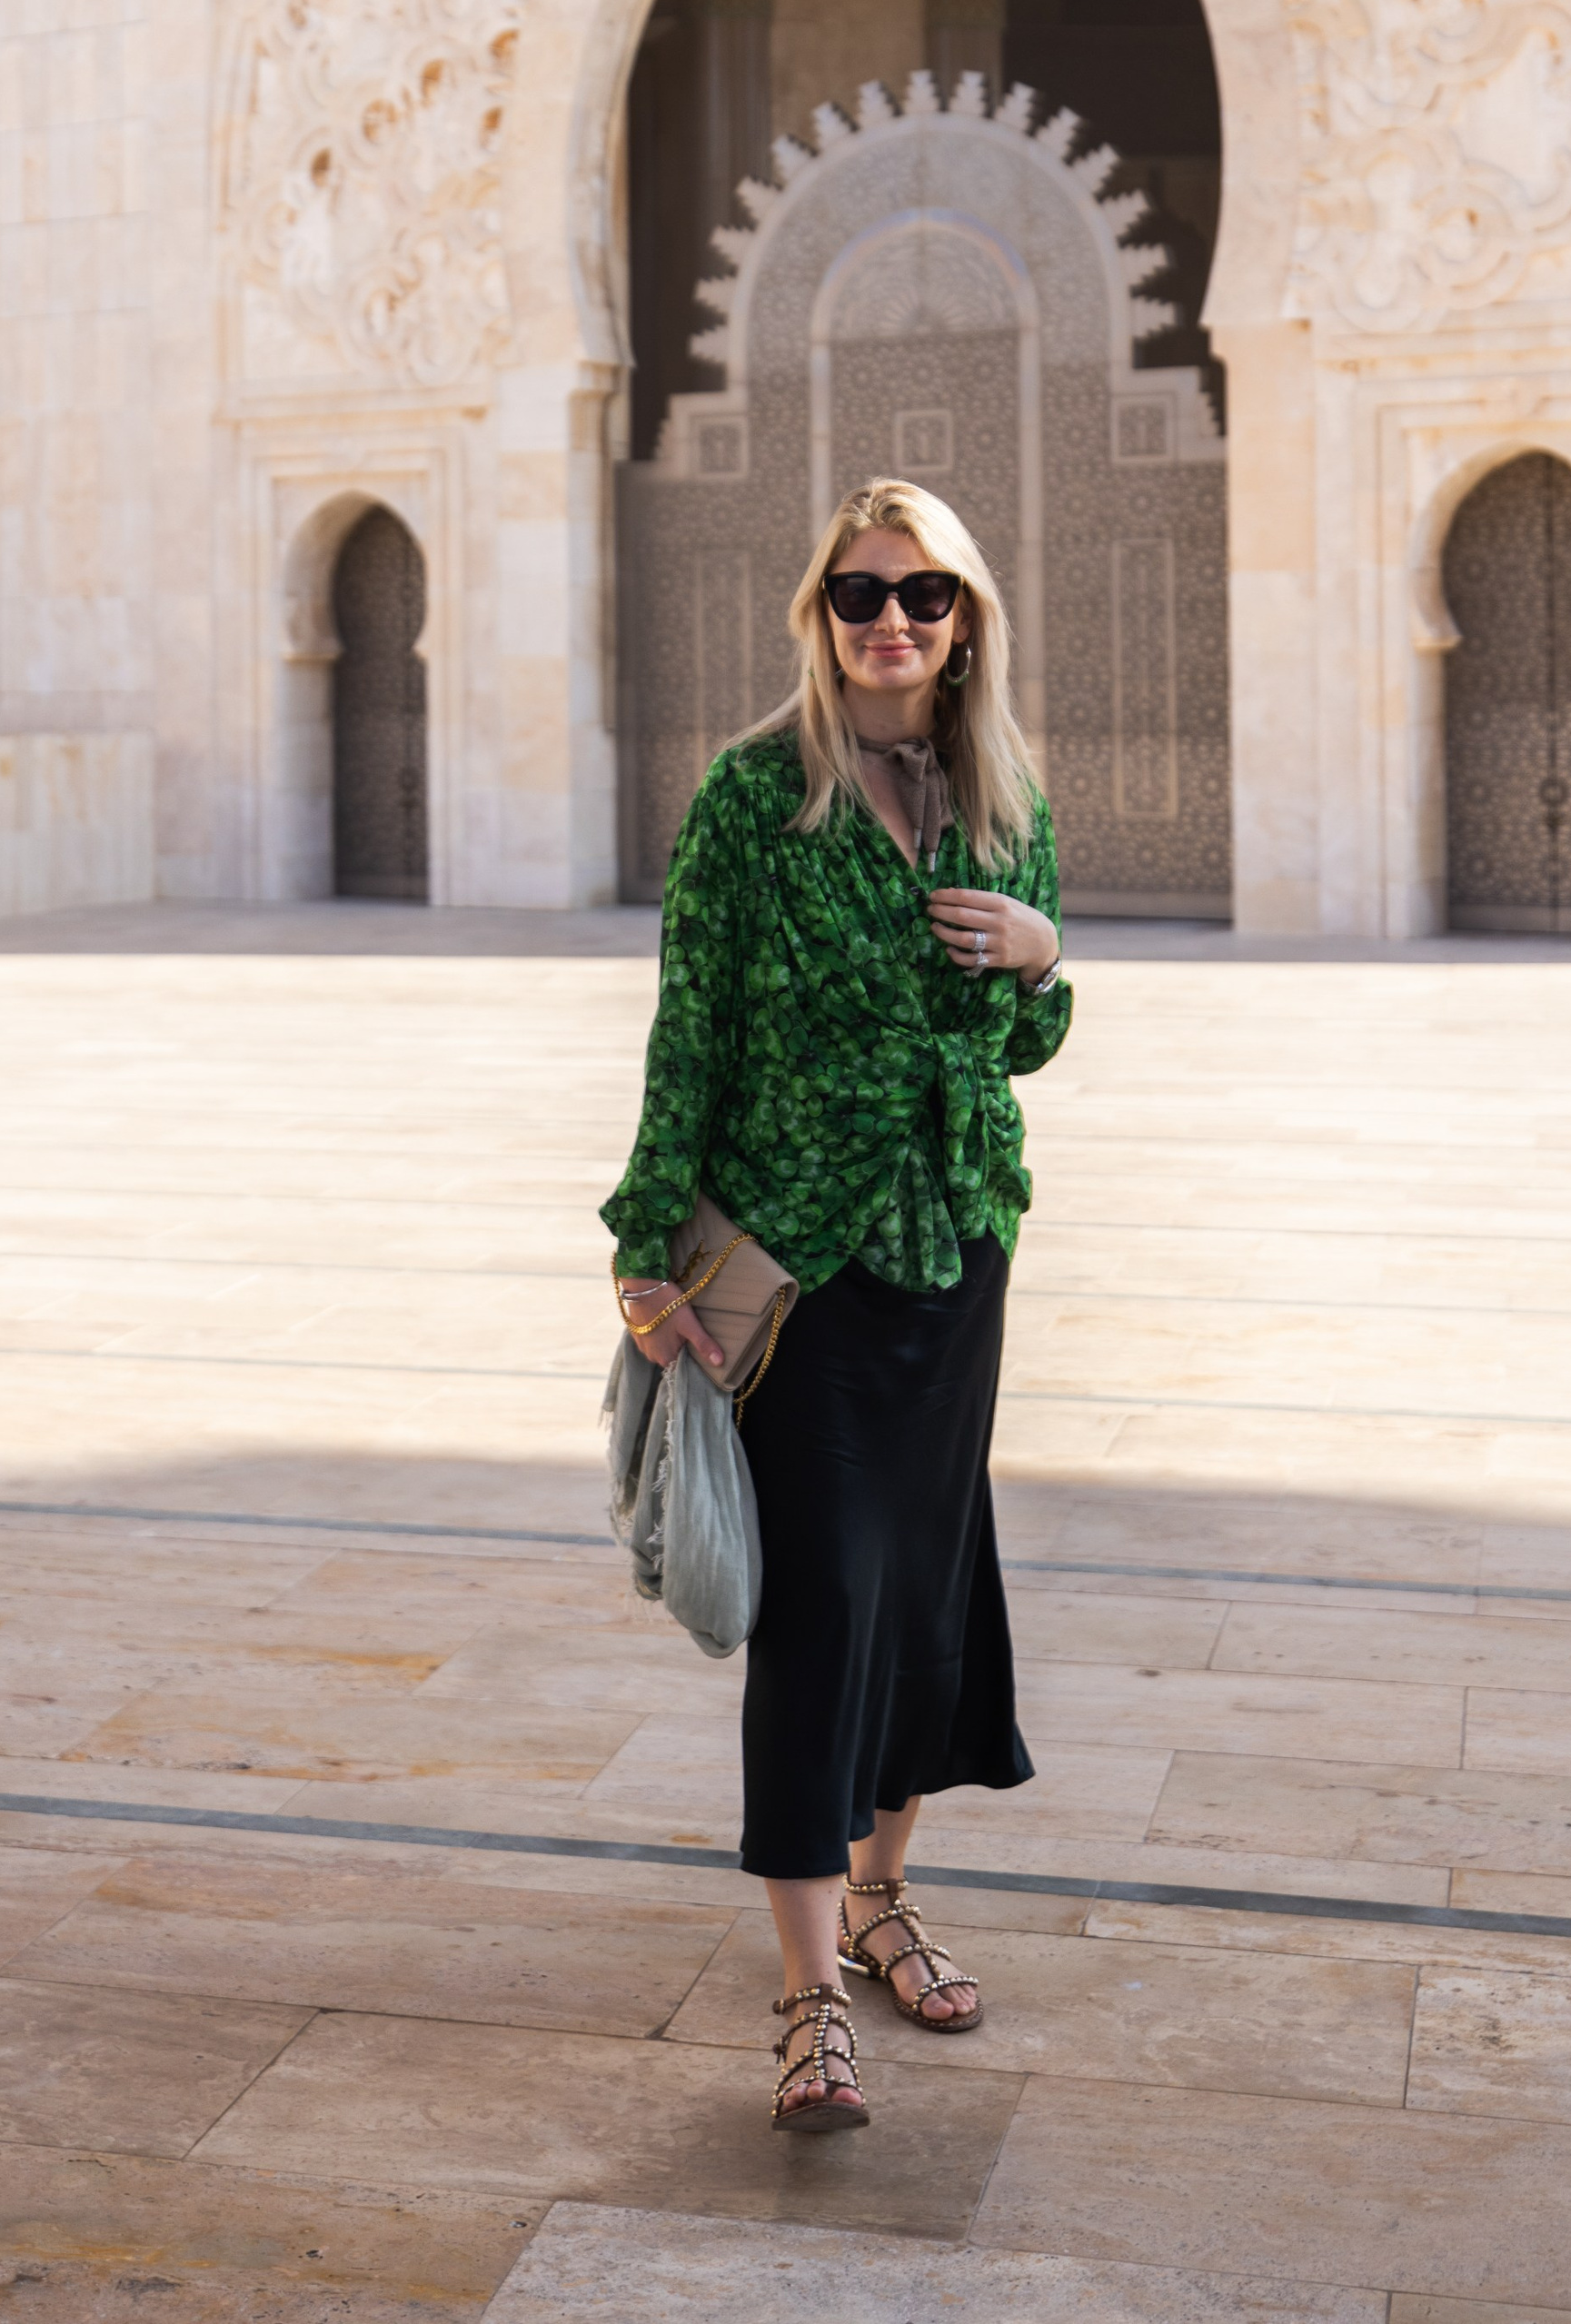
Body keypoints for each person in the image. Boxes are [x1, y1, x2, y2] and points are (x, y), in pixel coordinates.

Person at [601, 475, 1070, 2132]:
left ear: (966, 621)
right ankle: (809, 1996)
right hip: (801, 1267)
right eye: (861, 594)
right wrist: (648, 1245)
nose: (891, 621)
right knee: (823, 1609)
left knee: (926, 1590)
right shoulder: (752, 799)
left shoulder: (998, 799)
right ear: (819, 616)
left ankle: (880, 1901)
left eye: (924, 593)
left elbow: (1015, 1046)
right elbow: (691, 1031)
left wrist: (1040, 961)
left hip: (959, 1248)